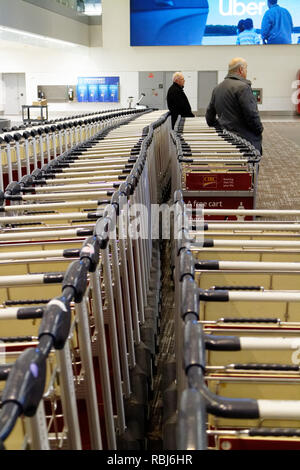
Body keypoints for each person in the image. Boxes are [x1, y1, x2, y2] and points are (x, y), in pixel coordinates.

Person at [205, 57, 263, 153]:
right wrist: (259, 129)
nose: (246, 71)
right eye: (246, 68)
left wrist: (221, 126)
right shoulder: (243, 88)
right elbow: (252, 115)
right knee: (248, 167)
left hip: (226, 139)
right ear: (241, 69)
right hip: (245, 141)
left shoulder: (217, 88)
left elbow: (209, 118)